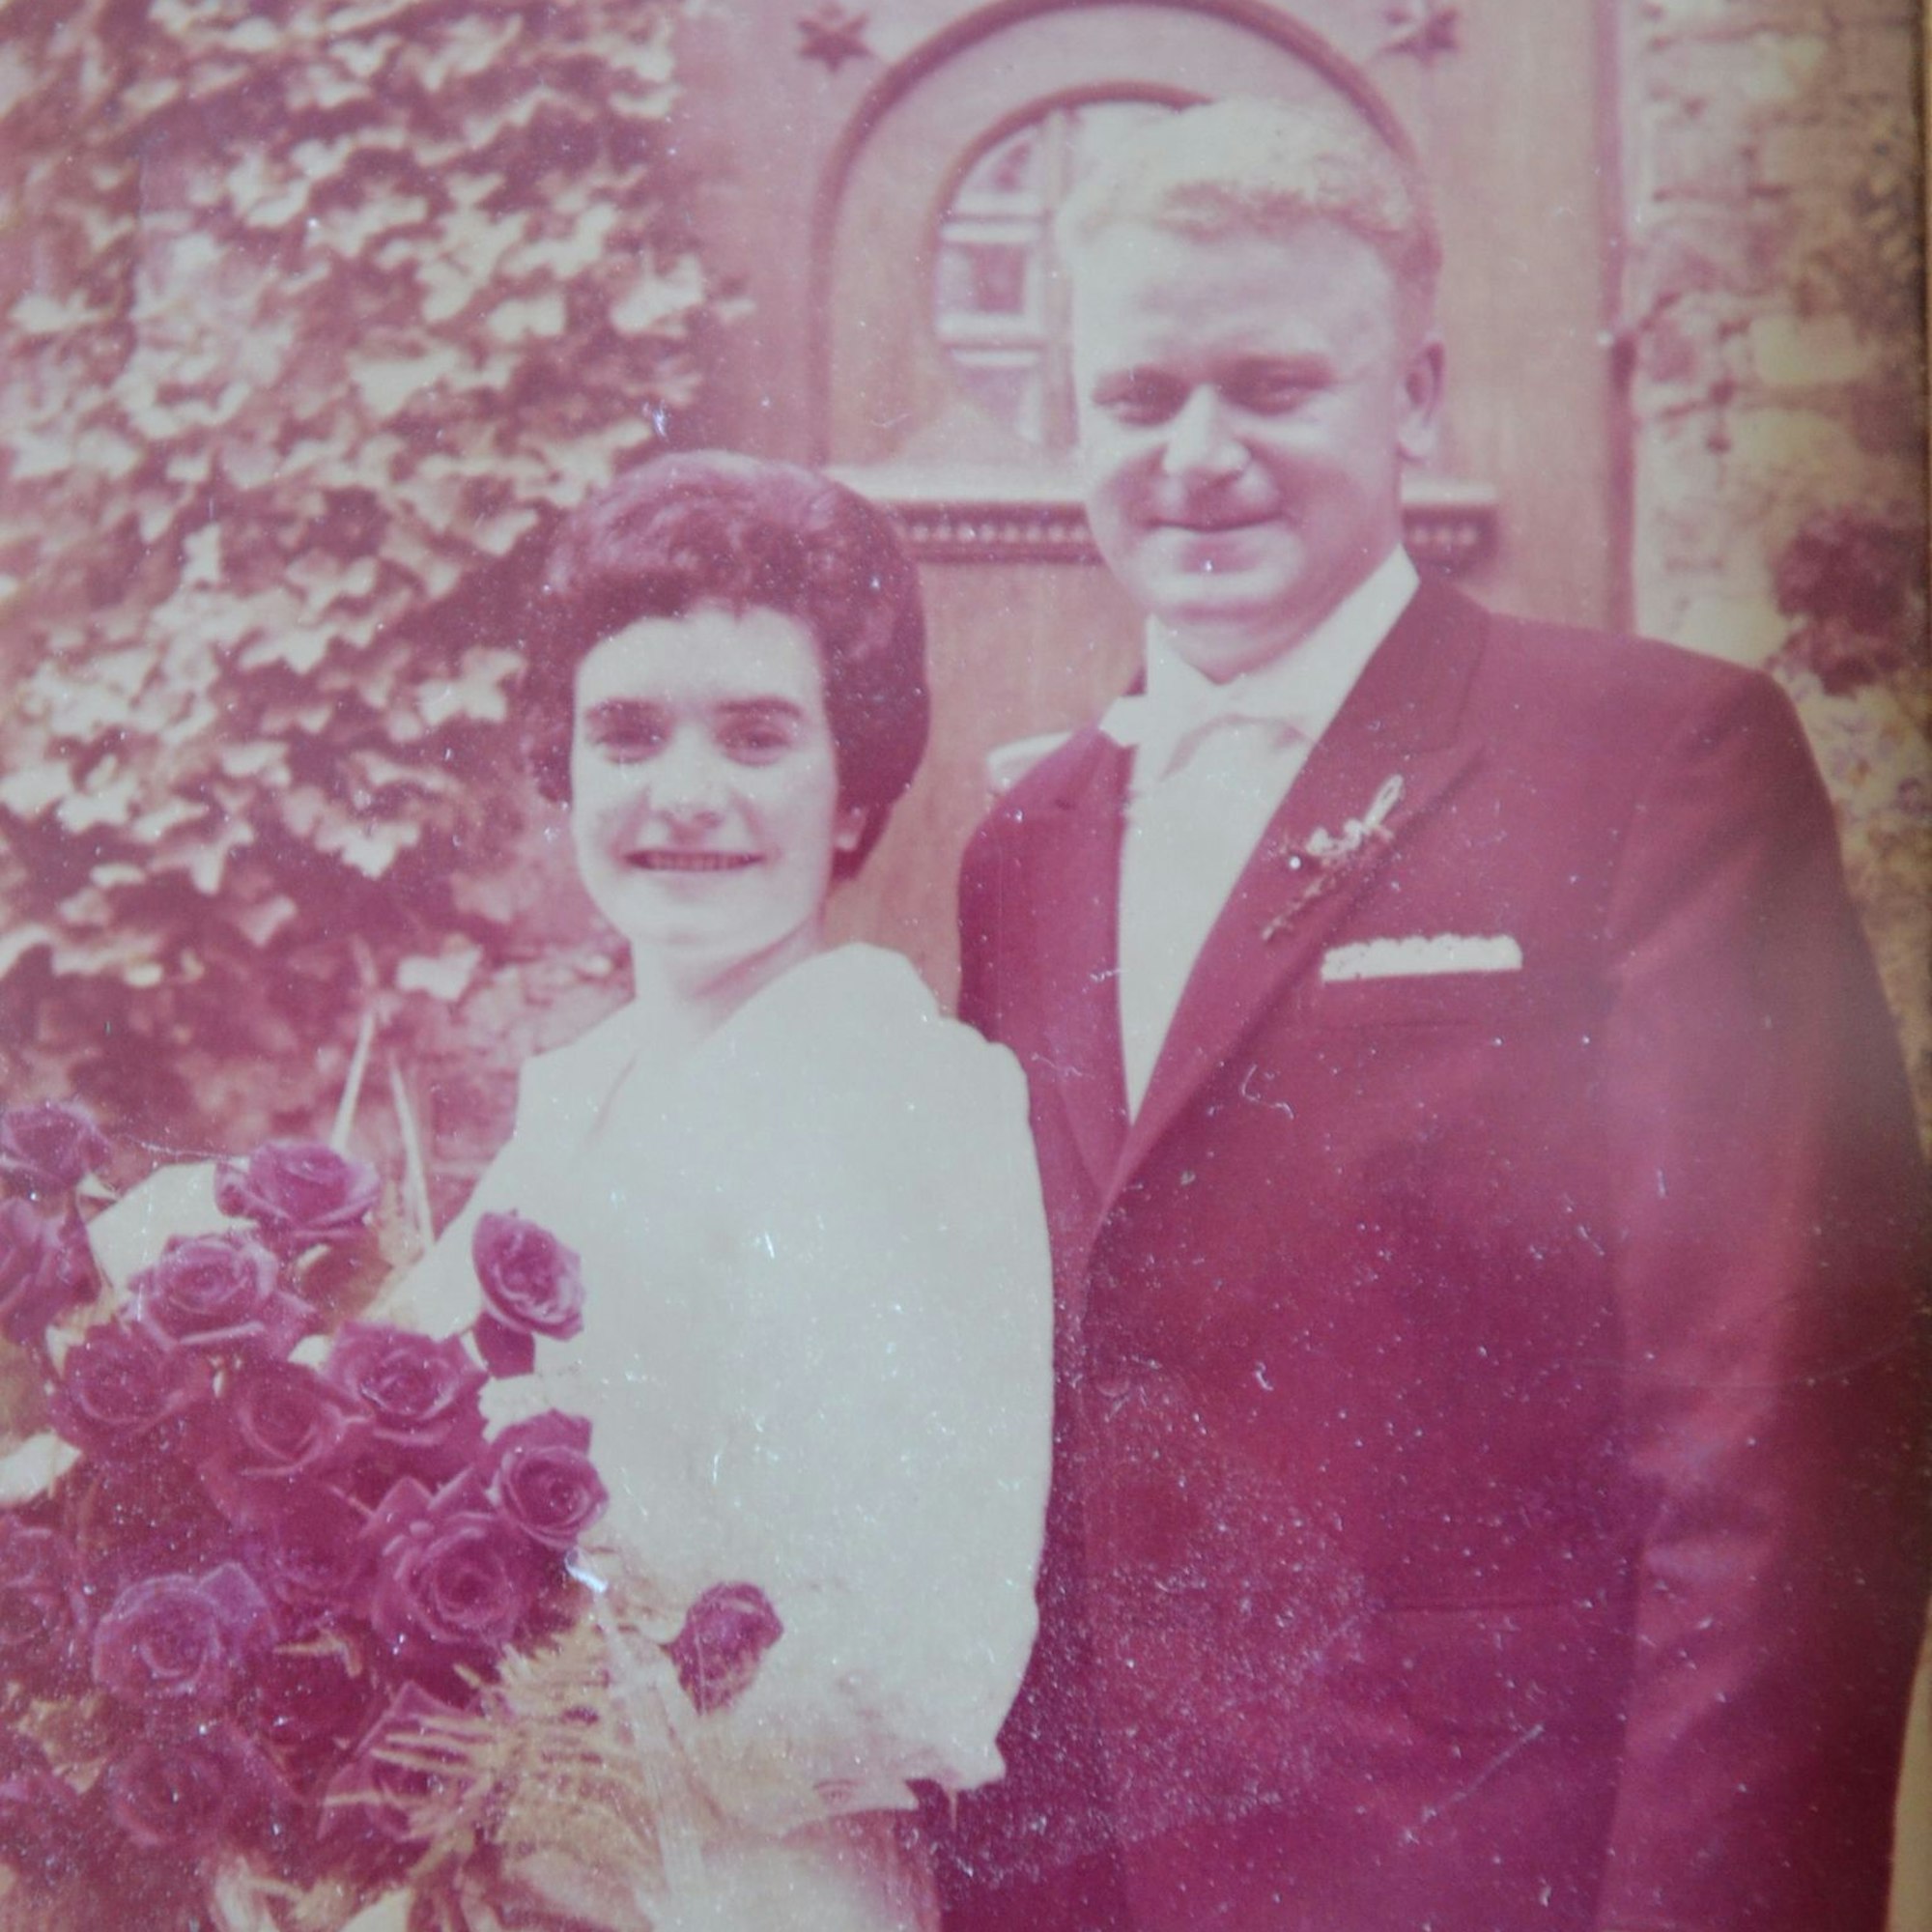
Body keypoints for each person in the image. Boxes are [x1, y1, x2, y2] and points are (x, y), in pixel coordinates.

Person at [941, 95, 1930, 1932]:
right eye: (1140, 398)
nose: (1200, 455)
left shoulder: (1652, 765)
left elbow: (1786, 1467)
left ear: (1412, 398)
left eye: (1274, 386)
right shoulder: (1027, 848)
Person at [383, 452, 1053, 1930]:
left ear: (853, 784)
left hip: (743, 1887)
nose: (684, 798)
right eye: (624, 735)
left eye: (757, 738)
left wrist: (557, 1761)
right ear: (563, 770)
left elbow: (923, 1648)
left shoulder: (906, 1101)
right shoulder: (579, 1097)